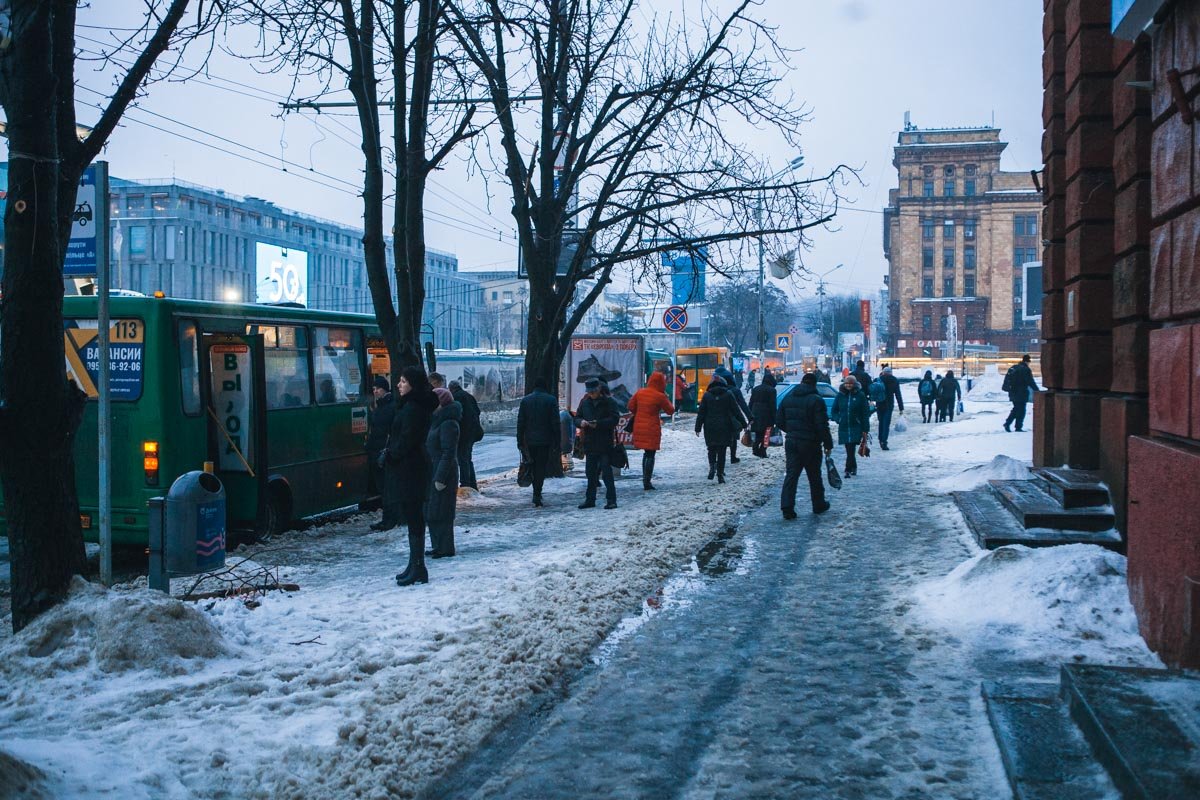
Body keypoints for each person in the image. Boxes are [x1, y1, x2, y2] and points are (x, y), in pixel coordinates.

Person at [387, 367, 438, 587]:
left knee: (414, 515)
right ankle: (414, 565)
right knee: (413, 515)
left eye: (403, 381)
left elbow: (407, 440)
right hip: (413, 465)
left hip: (412, 466)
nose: (399, 385)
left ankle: (418, 566)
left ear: (413, 385)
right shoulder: (413, 406)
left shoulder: (413, 409)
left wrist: (390, 454)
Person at [776, 372, 833, 518]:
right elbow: (822, 425)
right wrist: (827, 442)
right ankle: (818, 504)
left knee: (791, 474)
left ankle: (787, 508)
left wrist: (792, 431)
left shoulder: (788, 398)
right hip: (810, 443)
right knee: (814, 475)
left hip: (792, 441)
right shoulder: (816, 400)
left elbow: (780, 420)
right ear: (814, 384)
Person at [425, 387, 461, 559]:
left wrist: (440, 477)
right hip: (434, 469)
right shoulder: (437, 420)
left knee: (443, 511)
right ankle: (437, 545)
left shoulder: (448, 423)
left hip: (444, 473)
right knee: (434, 510)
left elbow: (448, 452)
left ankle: (445, 547)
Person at [575, 378, 620, 509]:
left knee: (607, 473)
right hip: (590, 442)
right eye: (589, 392)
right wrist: (581, 422)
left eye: (593, 391)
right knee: (590, 473)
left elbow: (615, 419)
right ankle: (590, 499)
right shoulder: (585, 402)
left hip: (605, 443)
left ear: (599, 389)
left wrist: (598, 424)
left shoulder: (609, 402)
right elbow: (577, 417)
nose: (591, 394)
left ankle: (611, 500)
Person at [694, 375, 747, 484]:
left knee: (711, 448)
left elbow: (701, 413)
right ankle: (720, 474)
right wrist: (744, 424)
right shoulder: (728, 394)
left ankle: (712, 466)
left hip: (710, 426)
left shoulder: (707, 396)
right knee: (722, 450)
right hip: (725, 426)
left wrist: (698, 428)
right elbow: (736, 411)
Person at [627, 371, 675, 490]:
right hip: (652, 427)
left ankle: (645, 479)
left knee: (646, 453)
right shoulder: (660, 396)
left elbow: (630, 407)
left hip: (639, 426)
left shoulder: (640, 392)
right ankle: (647, 481)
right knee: (650, 453)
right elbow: (670, 410)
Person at [517, 377, 560, 506]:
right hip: (545, 440)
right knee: (540, 467)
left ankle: (534, 489)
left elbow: (521, 422)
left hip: (529, 440)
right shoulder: (551, 400)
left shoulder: (525, 401)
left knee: (531, 464)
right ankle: (537, 492)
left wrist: (519, 440)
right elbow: (555, 423)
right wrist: (557, 441)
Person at [366, 375, 396, 529]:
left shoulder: (389, 407)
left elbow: (388, 432)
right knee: (383, 488)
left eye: (377, 388)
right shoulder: (381, 407)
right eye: (374, 389)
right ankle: (388, 518)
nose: (375, 391)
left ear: (384, 389)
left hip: (382, 453)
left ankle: (389, 519)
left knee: (386, 488)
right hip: (377, 451)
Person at [831, 374, 871, 478]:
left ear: (854, 384)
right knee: (849, 449)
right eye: (846, 383)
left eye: (850, 383)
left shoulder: (860, 396)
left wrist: (865, 428)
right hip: (844, 426)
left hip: (855, 426)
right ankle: (853, 467)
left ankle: (847, 470)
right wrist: (838, 419)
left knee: (851, 448)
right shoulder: (840, 396)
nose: (848, 385)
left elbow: (865, 413)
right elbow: (834, 410)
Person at [714, 366, 751, 463]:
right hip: (733, 418)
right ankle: (733, 457)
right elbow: (743, 405)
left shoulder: (712, 391)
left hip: (717, 418)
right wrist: (750, 417)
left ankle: (719, 459)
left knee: (719, 439)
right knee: (733, 437)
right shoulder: (734, 390)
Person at [1003, 354, 1040, 432]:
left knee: (1017, 408)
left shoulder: (1014, 368)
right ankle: (1015, 425)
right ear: (1027, 361)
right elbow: (1030, 381)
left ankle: (1011, 424)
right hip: (1021, 392)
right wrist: (1037, 390)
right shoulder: (1026, 369)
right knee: (1021, 410)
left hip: (1012, 392)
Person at [874, 365, 904, 451]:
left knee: (881, 422)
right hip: (889, 404)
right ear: (890, 373)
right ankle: (884, 441)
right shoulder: (894, 380)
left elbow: (872, 391)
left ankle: (880, 439)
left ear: (883, 372)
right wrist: (901, 407)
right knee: (886, 423)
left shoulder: (878, 380)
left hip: (879, 404)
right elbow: (898, 394)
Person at [749, 370, 778, 458]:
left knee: (758, 432)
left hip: (755, 414)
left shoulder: (756, 389)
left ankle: (755, 448)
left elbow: (751, 402)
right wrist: (775, 417)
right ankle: (762, 451)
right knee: (767, 434)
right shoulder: (772, 390)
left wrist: (750, 415)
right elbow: (773, 405)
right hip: (767, 415)